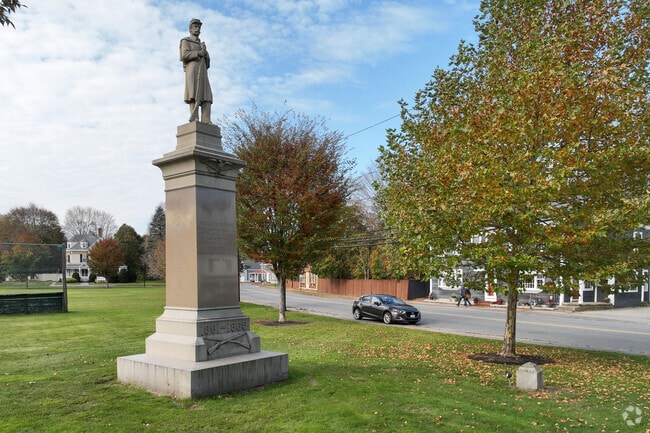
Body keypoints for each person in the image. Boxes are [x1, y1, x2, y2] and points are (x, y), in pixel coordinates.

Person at [180, 18, 213, 124]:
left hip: (203, 72)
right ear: (190, 28)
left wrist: (205, 53)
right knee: (194, 94)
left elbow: (208, 64)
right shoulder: (185, 41)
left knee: (207, 95)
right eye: (195, 26)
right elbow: (184, 55)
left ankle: (206, 120)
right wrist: (198, 53)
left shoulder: (201, 45)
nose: (198, 29)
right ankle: (195, 118)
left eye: (199, 27)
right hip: (192, 70)